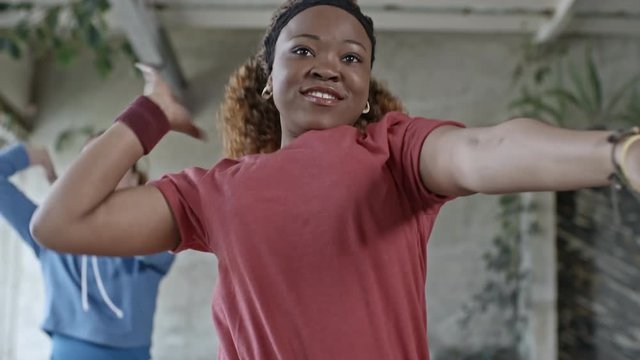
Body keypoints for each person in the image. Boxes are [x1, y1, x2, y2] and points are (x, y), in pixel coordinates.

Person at [30, 0, 640, 359]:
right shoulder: (211, 191)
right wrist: (150, 114)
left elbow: (485, 149)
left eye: (352, 57)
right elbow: (61, 222)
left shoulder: (395, 152)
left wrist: (617, 150)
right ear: (268, 79)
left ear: (366, 92)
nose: (329, 63)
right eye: (304, 50)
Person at [0, 140, 174, 360]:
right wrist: (32, 155)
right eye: (91, 163)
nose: (103, 174)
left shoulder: (151, 234)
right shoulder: (49, 232)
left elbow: (161, 245)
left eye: (118, 165)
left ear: (136, 179)